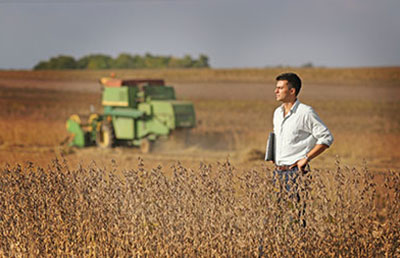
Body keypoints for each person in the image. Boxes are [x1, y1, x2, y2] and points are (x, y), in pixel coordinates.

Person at [267, 72, 334, 226]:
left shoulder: (305, 112)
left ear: (292, 91)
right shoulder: (277, 113)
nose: (275, 91)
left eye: (280, 88)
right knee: (274, 219)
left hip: (295, 173)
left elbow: (326, 137)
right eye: (276, 88)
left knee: (295, 219)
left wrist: (307, 158)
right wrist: (273, 154)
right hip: (278, 172)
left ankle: (297, 249)